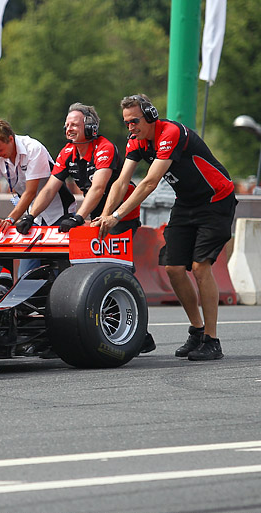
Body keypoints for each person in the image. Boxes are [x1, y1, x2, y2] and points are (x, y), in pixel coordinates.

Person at [94, 94, 237, 361]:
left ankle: (212, 340)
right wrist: (104, 216)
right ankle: (197, 330)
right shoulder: (136, 141)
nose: (131, 127)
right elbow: (121, 182)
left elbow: (149, 183)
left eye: (135, 121)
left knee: (199, 267)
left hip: (216, 199)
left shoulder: (170, 132)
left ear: (150, 115)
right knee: (172, 268)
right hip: (187, 203)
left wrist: (117, 216)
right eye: (126, 123)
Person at [23, 102, 155, 353]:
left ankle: (138, 333)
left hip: (121, 215)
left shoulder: (104, 148)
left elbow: (98, 188)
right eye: (66, 124)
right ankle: (66, 333)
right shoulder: (67, 152)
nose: (68, 128)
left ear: (91, 127)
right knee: (77, 269)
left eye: (74, 124)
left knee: (114, 270)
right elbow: (50, 188)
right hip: (94, 215)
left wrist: (78, 216)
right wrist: (30, 215)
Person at [0, 117, 76, 275]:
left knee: (60, 273)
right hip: (31, 216)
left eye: (0, 151)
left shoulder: (33, 149)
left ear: (10, 139)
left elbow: (31, 192)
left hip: (57, 212)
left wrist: (10, 220)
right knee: (26, 273)